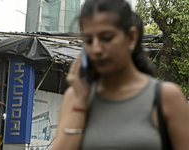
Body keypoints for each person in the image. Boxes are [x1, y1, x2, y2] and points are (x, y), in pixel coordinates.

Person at [51, 0, 189, 150]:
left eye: (107, 37)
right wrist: (80, 105)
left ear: (131, 37)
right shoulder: (75, 96)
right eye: (89, 41)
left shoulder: (166, 97)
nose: (96, 49)